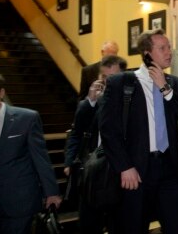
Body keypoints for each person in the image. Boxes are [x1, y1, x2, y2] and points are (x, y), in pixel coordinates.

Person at [98, 29, 178, 234]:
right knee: (133, 227)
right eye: (162, 48)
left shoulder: (175, 84)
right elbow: (108, 130)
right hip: (135, 170)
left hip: (170, 169)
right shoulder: (121, 83)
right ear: (147, 53)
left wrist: (166, 89)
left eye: (169, 47)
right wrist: (124, 166)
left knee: (176, 227)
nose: (169, 51)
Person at [0, 71, 62, 233]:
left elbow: (41, 159)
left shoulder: (26, 118)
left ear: (2, 92)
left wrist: (52, 192)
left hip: (19, 203)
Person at [64, 55, 127, 234]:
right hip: (92, 172)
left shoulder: (131, 101)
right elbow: (77, 131)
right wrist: (90, 100)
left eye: (112, 77)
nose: (108, 83)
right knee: (88, 224)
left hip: (119, 172)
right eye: (105, 78)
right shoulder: (94, 101)